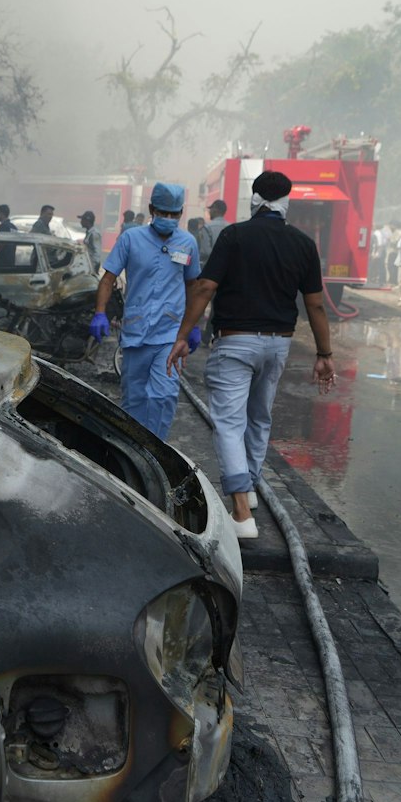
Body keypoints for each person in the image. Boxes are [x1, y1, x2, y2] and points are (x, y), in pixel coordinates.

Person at [166, 170, 334, 540]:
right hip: (278, 345)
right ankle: (251, 489)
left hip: (236, 342)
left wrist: (183, 335)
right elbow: (316, 306)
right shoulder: (303, 244)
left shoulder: (234, 236)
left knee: (228, 422)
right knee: (259, 418)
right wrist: (325, 353)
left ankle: (242, 513)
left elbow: (206, 286)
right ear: (286, 202)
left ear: (254, 200)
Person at [91, 182, 200, 439]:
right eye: (164, 212)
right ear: (152, 209)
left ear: (181, 213)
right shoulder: (131, 238)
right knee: (134, 399)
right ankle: (132, 454)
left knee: (164, 395)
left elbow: (194, 286)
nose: (169, 219)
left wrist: (194, 325)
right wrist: (99, 312)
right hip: (136, 332)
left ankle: (157, 453)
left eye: (174, 214)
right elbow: (108, 279)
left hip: (170, 334)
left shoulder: (188, 243)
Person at [0, 203, 19, 268]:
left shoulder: (3, 226)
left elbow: (2, 242)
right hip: (11, 259)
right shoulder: (14, 227)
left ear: (1, 213)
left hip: (3, 260)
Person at [369, 221, 392, 288]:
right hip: (381, 252)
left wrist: (376, 254)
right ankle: (379, 280)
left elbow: (379, 245)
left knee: (376, 267)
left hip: (378, 252)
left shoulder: (377, 233)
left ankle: (379, 280)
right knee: (379, 267)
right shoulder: (382, 232)